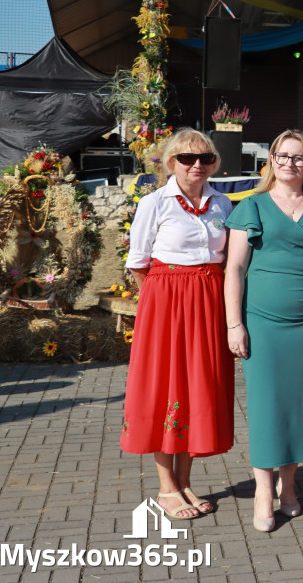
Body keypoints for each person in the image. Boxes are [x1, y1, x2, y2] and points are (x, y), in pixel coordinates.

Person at [224, 130, 303, 532]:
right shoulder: (253, 207)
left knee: (300, 407)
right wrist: (234, 324)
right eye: (283, 156)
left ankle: (290, 486)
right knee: (266, 408)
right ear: (272, 160)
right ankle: (264, 490)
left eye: (299, 157)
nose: (290, 164)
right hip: (263, 324)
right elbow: (235, 270)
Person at [121, 129, 234, 520]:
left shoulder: (223, 204)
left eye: (204, 158)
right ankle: (165, 486)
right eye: (187, 159)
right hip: (167, 303)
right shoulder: (155, 203)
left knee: (196, 387)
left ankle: (185, 481)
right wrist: (163, 299)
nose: (196, 165)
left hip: (208, 301)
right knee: (164, 387)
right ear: (172, 163)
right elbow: (138, 262)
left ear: (214, 163)